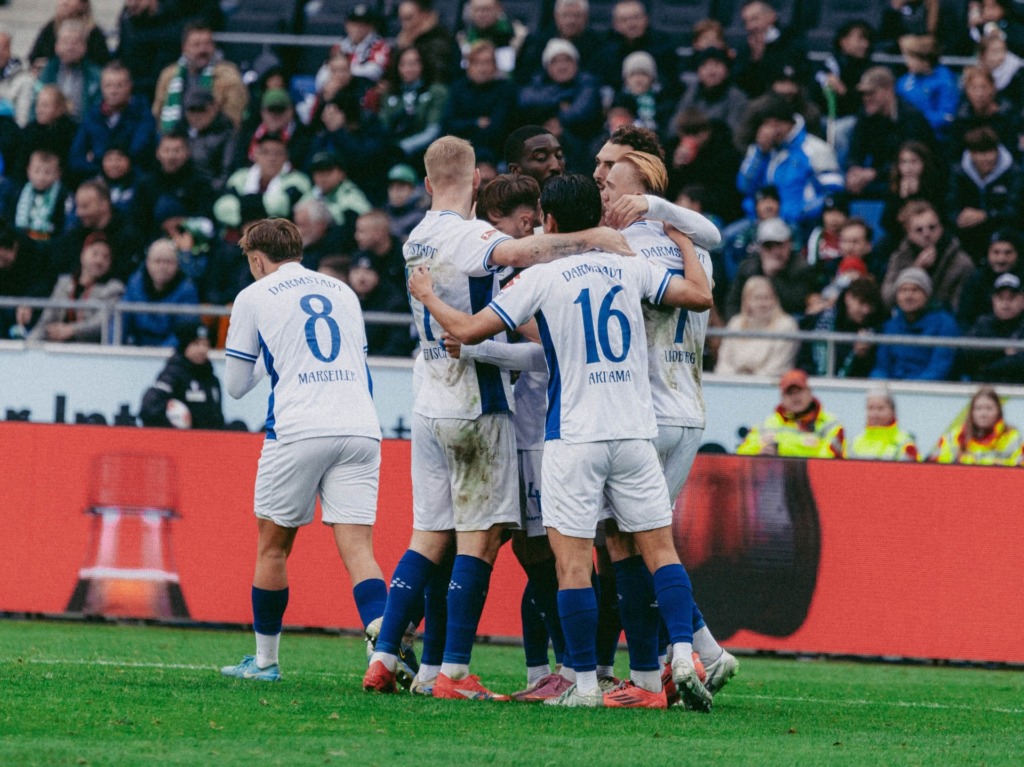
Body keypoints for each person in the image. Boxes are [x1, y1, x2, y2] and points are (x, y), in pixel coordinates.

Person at [406, 172, 714, 710]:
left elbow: (469, 330)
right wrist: (683, 242)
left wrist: (428, 295)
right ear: (597, 216)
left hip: (573, 436)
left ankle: (585, 686)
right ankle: (681, 658)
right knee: (659, 551)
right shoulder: (630, 265)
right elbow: (700, 296)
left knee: (571, 565)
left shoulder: (543, 278)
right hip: (634, 432)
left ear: (548, 220)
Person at [363, 136, 630, 700]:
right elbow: (519, 254)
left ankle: (386, 656)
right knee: (479, 543)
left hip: (428, 399)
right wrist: (594, 237)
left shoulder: (415, 237)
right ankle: (455, 674)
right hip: (476, 403)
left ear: (427, 183)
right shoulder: (471, 235)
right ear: (477, 182)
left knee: (428, 536)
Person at [219, 218, 389, 682]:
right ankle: (384, 653)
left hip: (298, 428)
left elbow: (235, 385)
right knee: (359, 548)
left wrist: (269, 358)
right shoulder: (343, 291)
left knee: (273, 548)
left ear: (257, 259)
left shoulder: (254, 295)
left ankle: (265, 662)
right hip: (360, 426)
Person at [598, 152, 739, 707]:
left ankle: (656, 670)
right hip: (688, 410)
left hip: (645, 413)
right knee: (649, 539)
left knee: (627, 542)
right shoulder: (691, 245)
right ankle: (703, 650)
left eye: (610, 180)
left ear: (637, 190)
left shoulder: (621, 248)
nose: (603, 187)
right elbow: (713, 236)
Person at [845, 66, 936, 201]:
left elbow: (914, 160)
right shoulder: (866, 115)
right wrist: (854, 170)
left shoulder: (911, 118)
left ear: (889, 90)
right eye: (864, 94)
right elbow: (855, 149)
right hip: (877, 177)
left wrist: (874, 174)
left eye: (871, 93)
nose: (866, 98)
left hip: (908, 178)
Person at [26, 232, 124, 343]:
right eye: (95, 254)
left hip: (90, 349)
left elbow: (101, 323)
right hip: (57, 347)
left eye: (106, 257)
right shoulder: (64, 283)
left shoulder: (114, 288)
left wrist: (72, 330)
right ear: (83, 255)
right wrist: (29, 344)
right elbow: (47, 319)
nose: (99, 261)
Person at [880, 200, 974, 313]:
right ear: (909, 232)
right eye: (919, 230)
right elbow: (887, 299)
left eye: (932, 227)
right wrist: (915, 270)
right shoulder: (899, 258)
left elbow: (958, 308)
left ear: (941, 228)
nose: (926, 234)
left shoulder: (961, 263)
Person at [153, 22, 248, 133]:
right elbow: (158, 112)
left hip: (216, 136)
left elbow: (235, 116)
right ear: (184, 48)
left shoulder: (229, 75)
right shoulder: (169, 75)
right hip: (176, 136)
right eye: (196, 45)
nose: (202, 50)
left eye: (207, 44)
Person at [69, 61, 157, 181]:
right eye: (108, 86)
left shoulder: (142, 114)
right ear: (101, 87)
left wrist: (97, 157)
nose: (113, 91)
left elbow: (138, 152)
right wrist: (100, 168)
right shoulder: (92, 116)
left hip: (134, 180)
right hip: (97, 178)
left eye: (119, 86)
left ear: (130, 86)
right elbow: (76, 157)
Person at [947, 126, 1022, 261]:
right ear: (971, 154)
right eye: (980, 153)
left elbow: (1015, 211)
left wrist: (986, 215)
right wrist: (958, 218)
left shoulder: (1013, 173)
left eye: (990, 152)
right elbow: (950, 205)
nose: (986, 158)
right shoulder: (959, 173)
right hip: (968, 235)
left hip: (1004, 234)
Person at [871, 267, 960, 381]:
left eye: (915, 290)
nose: (908, 296)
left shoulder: (945, 324)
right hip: (893, 387)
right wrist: (880, 383)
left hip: (928, 388)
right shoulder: (891, 325)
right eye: (903, 290)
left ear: (926, 295)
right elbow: (881, 366)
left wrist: (911, 387)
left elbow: (939, 367)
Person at [736, 369, 846, 458]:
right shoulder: (768, 424)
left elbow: (831, 460)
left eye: (799, 391)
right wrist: (759, 455)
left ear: (809, 392)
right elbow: (742, 454)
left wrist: (782, 450)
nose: (795, 397)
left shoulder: (830, 424)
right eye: (790, 393)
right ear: (782, 397)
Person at [725, 217, 816, 321]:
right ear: (760, 248)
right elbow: (733, 303)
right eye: (768, 246)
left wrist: (772, 276)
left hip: (787, 323)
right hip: (752, 322)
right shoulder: (747, 267)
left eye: (779, 245)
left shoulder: (802, 267)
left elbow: (795, 304)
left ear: (789, 244)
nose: (775, 251)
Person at [139, 323, 225, 430]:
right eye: (196, 344)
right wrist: (172, 424)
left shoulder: (212, 380)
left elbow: (217, 419)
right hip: (178, 438)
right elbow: (149, 408)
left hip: (207, 439)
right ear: (185, 346)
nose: (202, 349)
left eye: (206, 345)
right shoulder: (172, 374)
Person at [441, 41, 514, 162]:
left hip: (494, 153)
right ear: (469, 66)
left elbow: (498, 127)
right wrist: (475, 123)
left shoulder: (505, 89)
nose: (482, 68)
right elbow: (447, 124)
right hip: (459, 151)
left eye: (487, 62)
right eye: (477, 63)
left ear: (495, 66)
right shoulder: (459, 89)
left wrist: (464, 127)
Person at [121, 238, 200, 347]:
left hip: (170, 351)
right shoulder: (135, 283)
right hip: (137, 348)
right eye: (157, 261)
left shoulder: (187, 290)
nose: (162, 267)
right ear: (147, 262)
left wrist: (159, 353)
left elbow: (184, 331)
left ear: (178, 264)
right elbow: (121, 321)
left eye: (168, 262)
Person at [716, 276, 799, 377]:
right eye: (757, 298)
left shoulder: (786, 326)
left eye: (767, 298)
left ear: (775, 300)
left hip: (768, 383)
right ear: (747, 301)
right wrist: (733, 379)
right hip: (733, 382)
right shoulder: (735, 323)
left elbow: (778, 367)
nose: (762, 304)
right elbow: (723, 362)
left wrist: (749, 380)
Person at [929, 386, 1023, 464]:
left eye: (989, 408)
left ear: (999, 412)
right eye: (978, 408)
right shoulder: (954, 437)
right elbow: (938, 469)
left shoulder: (1012, 437)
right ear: (971, 412)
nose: (983, 414)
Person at [957, 272, 1024, 383]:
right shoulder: (983, 324)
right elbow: (964, 355)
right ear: (993, 300)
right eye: (1001, 298)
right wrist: (1002, 351)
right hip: (984, 387)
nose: (1005, 304)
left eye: (1011, 298)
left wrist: (986, 366)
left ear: (1022, 300)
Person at [673, 47, 749, 141]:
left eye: (717, 64)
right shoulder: (691, 94)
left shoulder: (737, 98)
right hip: (688, 144)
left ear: (727, 71)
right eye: (705, 65)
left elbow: (734, 133)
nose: (711, 71)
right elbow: (674, 128)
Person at [32, 20, 103, 120]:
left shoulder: (95, 75)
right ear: (57, 46)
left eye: (75, 43)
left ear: (84, 47)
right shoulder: (46, 72)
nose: (70, 47)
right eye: (65, 42)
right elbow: (34, 107)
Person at [895, 35, 959, 140]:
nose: (907, 62)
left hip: (935, 137)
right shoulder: (903, 82)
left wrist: (919, 121)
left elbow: (947, 116)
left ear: (925, 61)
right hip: (906, 135)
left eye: (912, 58)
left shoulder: (945, 81)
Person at [958, 230, 1023, 330]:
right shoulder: (976, 281)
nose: (1001, 259)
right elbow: (964, 317)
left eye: (1008, 253)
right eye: (996, 252)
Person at [849, 387, 919, 461]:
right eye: (870, 408)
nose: (875, 414)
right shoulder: (855, 443)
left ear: (893, 411)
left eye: (880, 408)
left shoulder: (905, 443)